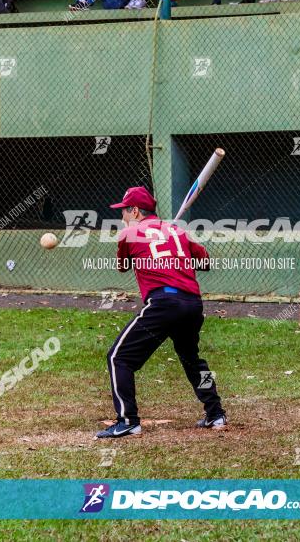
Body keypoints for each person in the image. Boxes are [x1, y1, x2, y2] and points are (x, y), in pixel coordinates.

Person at [96, 186, 226, 438]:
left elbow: (123, 266)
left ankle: (128, 421)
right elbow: (205, 261)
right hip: (192, 303)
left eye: (124, 211)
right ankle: (216, 413)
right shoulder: (177, 230)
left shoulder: (130, 232)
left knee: (118, 358)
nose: (122, 216)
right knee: (191, 359)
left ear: (135, 211)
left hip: (163, 303)